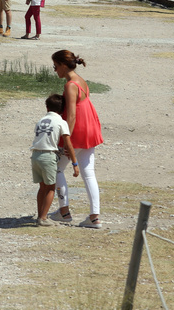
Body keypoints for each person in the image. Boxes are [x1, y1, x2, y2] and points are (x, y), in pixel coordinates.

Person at [50, 50, 104, 229]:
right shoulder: (81, 81)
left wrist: (67, 140)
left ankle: (64, 211)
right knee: (89, 172)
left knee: (57, 168)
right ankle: (94, 216)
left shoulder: (70, 85)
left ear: (63, 66)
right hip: (90, 128)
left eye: (56, 67)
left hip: (77, 131)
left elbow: (71, 116)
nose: (55, 70)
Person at [31, 94, 79, 227]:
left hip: (35, 155)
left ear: (47, 107)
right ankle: (43, 218)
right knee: (51, 187)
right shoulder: (61, 122)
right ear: (63, 110)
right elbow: (68, 143)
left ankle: (40, 214)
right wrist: (75, 163)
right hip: (48, 157)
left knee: (42, 187)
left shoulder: (40, 121)